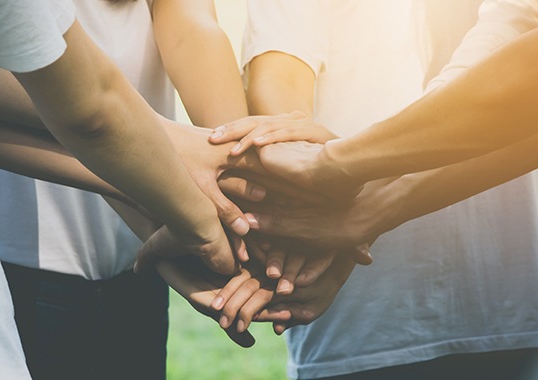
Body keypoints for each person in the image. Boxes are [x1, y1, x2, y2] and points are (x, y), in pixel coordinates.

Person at [208, 1, 538, 379]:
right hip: (367, 314)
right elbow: (502, 51)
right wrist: (329, 192)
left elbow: (521, 65)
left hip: (506, 293)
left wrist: (342, 175)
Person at [0, 0, 256, 378]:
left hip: (143, 257)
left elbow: (192, 30)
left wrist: (244, 191)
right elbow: (88, 107)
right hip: (25, 262)